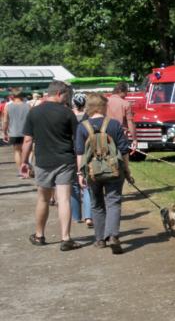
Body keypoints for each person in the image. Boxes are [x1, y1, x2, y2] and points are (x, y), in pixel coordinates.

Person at [19, 80, 82, 250]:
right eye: (67, 95)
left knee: (43, 199)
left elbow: (28, 140)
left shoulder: (34, 112)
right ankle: (66, 238)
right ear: (60, 93)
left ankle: (39, 235)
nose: (68, 99)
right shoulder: (68, 113)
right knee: (64, 199)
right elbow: (77, 140)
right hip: (65, 161)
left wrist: (24, 162)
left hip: (43, 161)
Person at [75, 93, 131, 254]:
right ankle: (113, 235)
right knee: (113, 202)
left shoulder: (82, 127)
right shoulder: (114, 125)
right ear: (101, 107)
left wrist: (80, 174)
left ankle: (100, 239)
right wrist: (126, 170)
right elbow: (124, 150)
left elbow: (80, 153)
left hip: (92, 172)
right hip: (114, 170)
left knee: (97, 204)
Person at [70, 93, 93, 227]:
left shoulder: (68, 115)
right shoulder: (89, 117)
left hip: (72, 152)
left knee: (74, 184)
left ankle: (76, 216)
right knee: (87, 185)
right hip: (87, 152)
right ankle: (88, 216)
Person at [3, 91, 31, 176]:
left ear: (12, 96)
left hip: (14, 132)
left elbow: (5, 121)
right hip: (27, 132)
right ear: (22, 96)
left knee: (17, 151)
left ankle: (21, 171)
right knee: (28, 151)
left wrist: (5, 132)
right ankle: (28, 170)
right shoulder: (28, 106)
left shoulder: (8, 107)